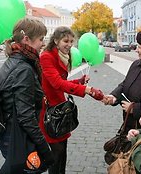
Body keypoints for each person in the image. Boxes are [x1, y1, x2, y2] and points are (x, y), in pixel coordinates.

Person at [39, 26, 104, 174]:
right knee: (56, 152)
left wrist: (79, 81)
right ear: (56, 40)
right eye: (65, 41)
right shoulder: (47, 56)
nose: (69, 44)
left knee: (63, 151)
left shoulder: (62, 56)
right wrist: (86, 90)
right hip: (50, 111)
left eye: (71, 41)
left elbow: (62, 83)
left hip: (60, 109)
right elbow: (57, 83)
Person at [0, 17, 54, 172]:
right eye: (41, 39)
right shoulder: (23, 69)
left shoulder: (11, 61)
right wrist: (44, 148)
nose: (43, 44)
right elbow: (25, 116)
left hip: (9, 135)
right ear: (27, 39)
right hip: (19, 138)